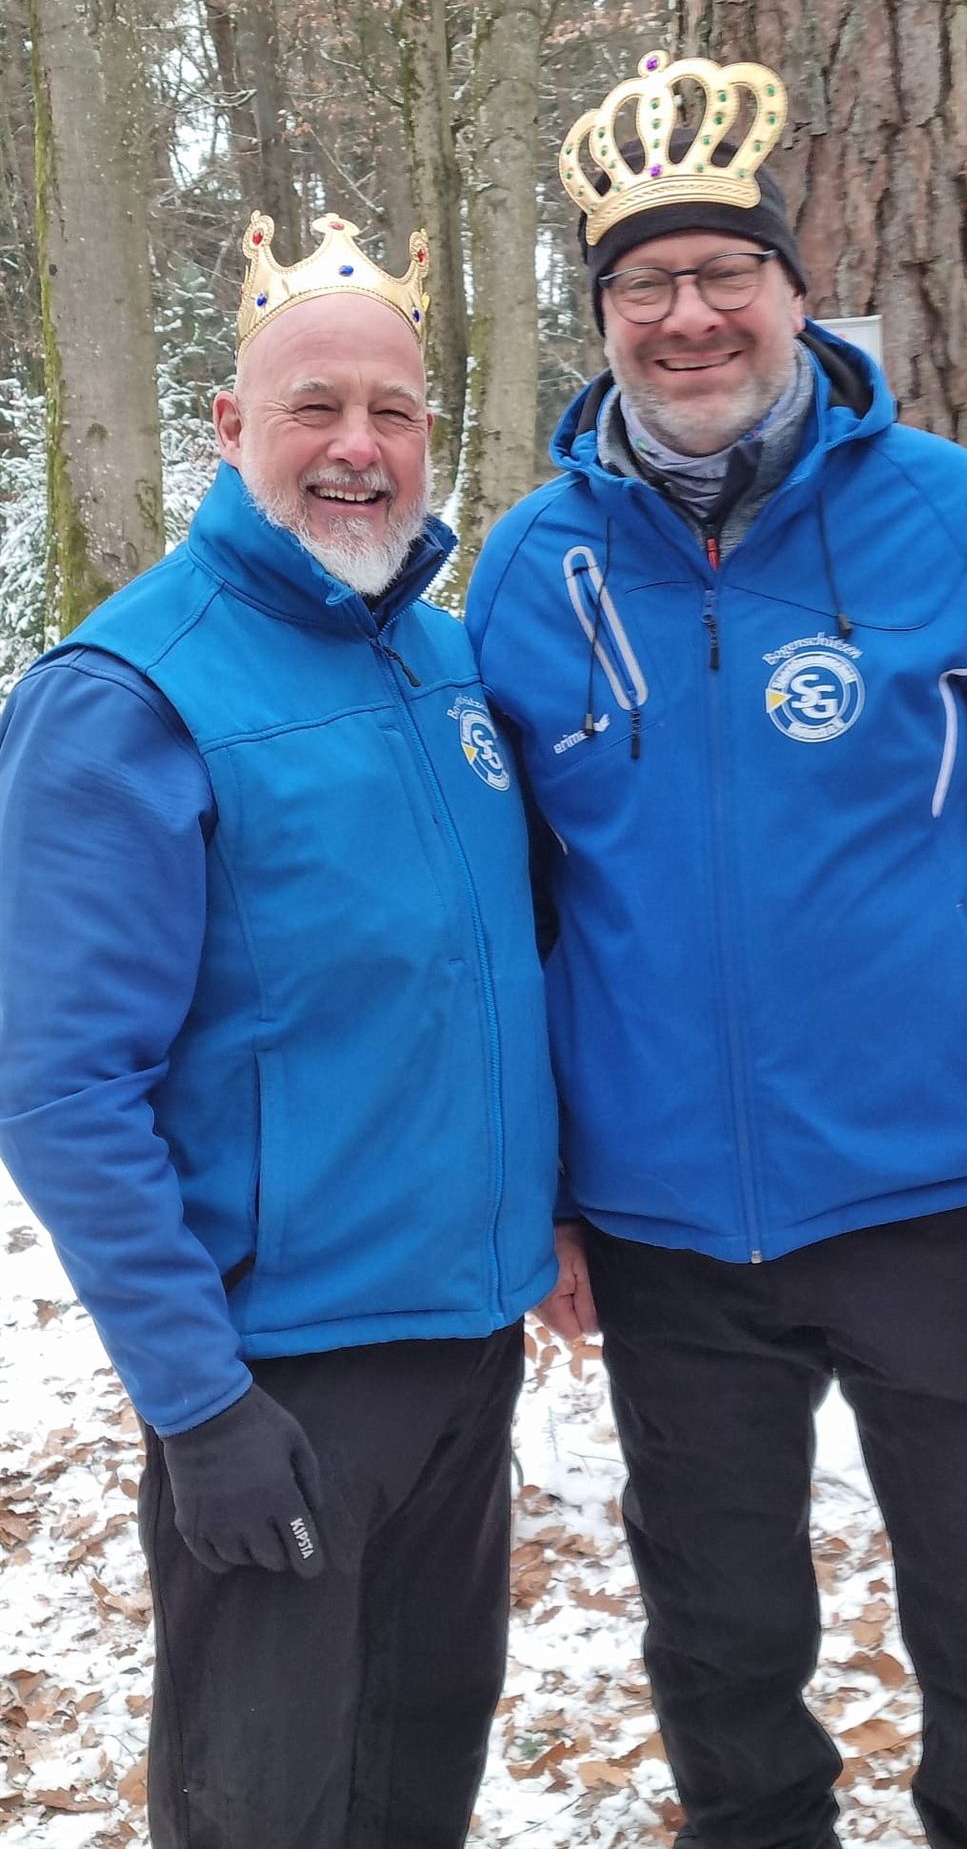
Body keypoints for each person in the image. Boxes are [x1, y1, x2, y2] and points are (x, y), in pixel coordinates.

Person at [466, 46, 967, 1849]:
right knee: (722, 1645)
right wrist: (544, 1197)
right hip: (663, 1227)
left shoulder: (952, 522)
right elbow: (510, 918)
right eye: (644, 284)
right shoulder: (531, 569)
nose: (690, 317)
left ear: (798, 288)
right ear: (601, 319)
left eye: (727, 270)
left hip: (940, 1198)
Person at [0, 208, 558, 1849]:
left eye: (393, 412)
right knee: (267, 1807)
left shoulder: (443, 661)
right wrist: (199, 1405)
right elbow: (57, 1083)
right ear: (231, 424)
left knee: (416, 1777)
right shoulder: (127, 694)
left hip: (464, 1347)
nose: (357, 447)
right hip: (277, 1382)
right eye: (315, 407)